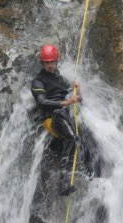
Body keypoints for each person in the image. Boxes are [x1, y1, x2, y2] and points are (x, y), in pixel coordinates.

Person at [31, 44, 82, 196]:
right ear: (42, 63)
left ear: (56, 61)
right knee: (71, 136)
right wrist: (65, 103)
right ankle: (63, 180)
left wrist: (76, 90)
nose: (50, 65)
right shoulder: (38, 81)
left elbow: (73, 95)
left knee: (78, 132)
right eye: (46, 62)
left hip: (63, 116)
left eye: (52, 62)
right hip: (50, 119)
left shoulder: (60, 78)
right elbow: (41, 101)